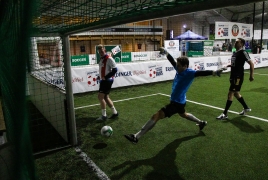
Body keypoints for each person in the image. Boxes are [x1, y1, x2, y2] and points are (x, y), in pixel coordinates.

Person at [124, 47, 224, 144]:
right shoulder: (179, 69)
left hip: (177, 103)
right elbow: (172, 61)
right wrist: (166, 52)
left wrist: (214, 72)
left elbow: (201, 73)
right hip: (181, 101)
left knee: (157, 115)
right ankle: (201, 122)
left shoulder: (189, 73)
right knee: (183, 114)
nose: (177, 67)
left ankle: (136, 137)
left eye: (179, 66)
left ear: (185, 66)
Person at [216, 38, 254, 120]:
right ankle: (246, 107)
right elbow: (233, 64)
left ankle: (225, 113)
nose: (235, 43)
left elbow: (251, 64)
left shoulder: (243, 52)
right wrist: (226, 66)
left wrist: (251, 75)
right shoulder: (235, 53)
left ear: (241, 44)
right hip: (233, 76)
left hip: (238, 76)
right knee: (236, 93)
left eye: (237, 42)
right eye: (235, 42)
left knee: (230, 93)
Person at [95, 44, 119, 122]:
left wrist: (106, 77)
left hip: (107, 81)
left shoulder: (109, 58)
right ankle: (115, 113)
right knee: (105, 97)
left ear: (104, 50)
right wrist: (100, 76)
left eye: (101, 50)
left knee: (100, 97)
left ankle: (104, 116)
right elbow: (103, 70)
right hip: (104, 80)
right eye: (99, 51)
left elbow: (115, 70)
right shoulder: (102, 59)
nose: (100, 52)